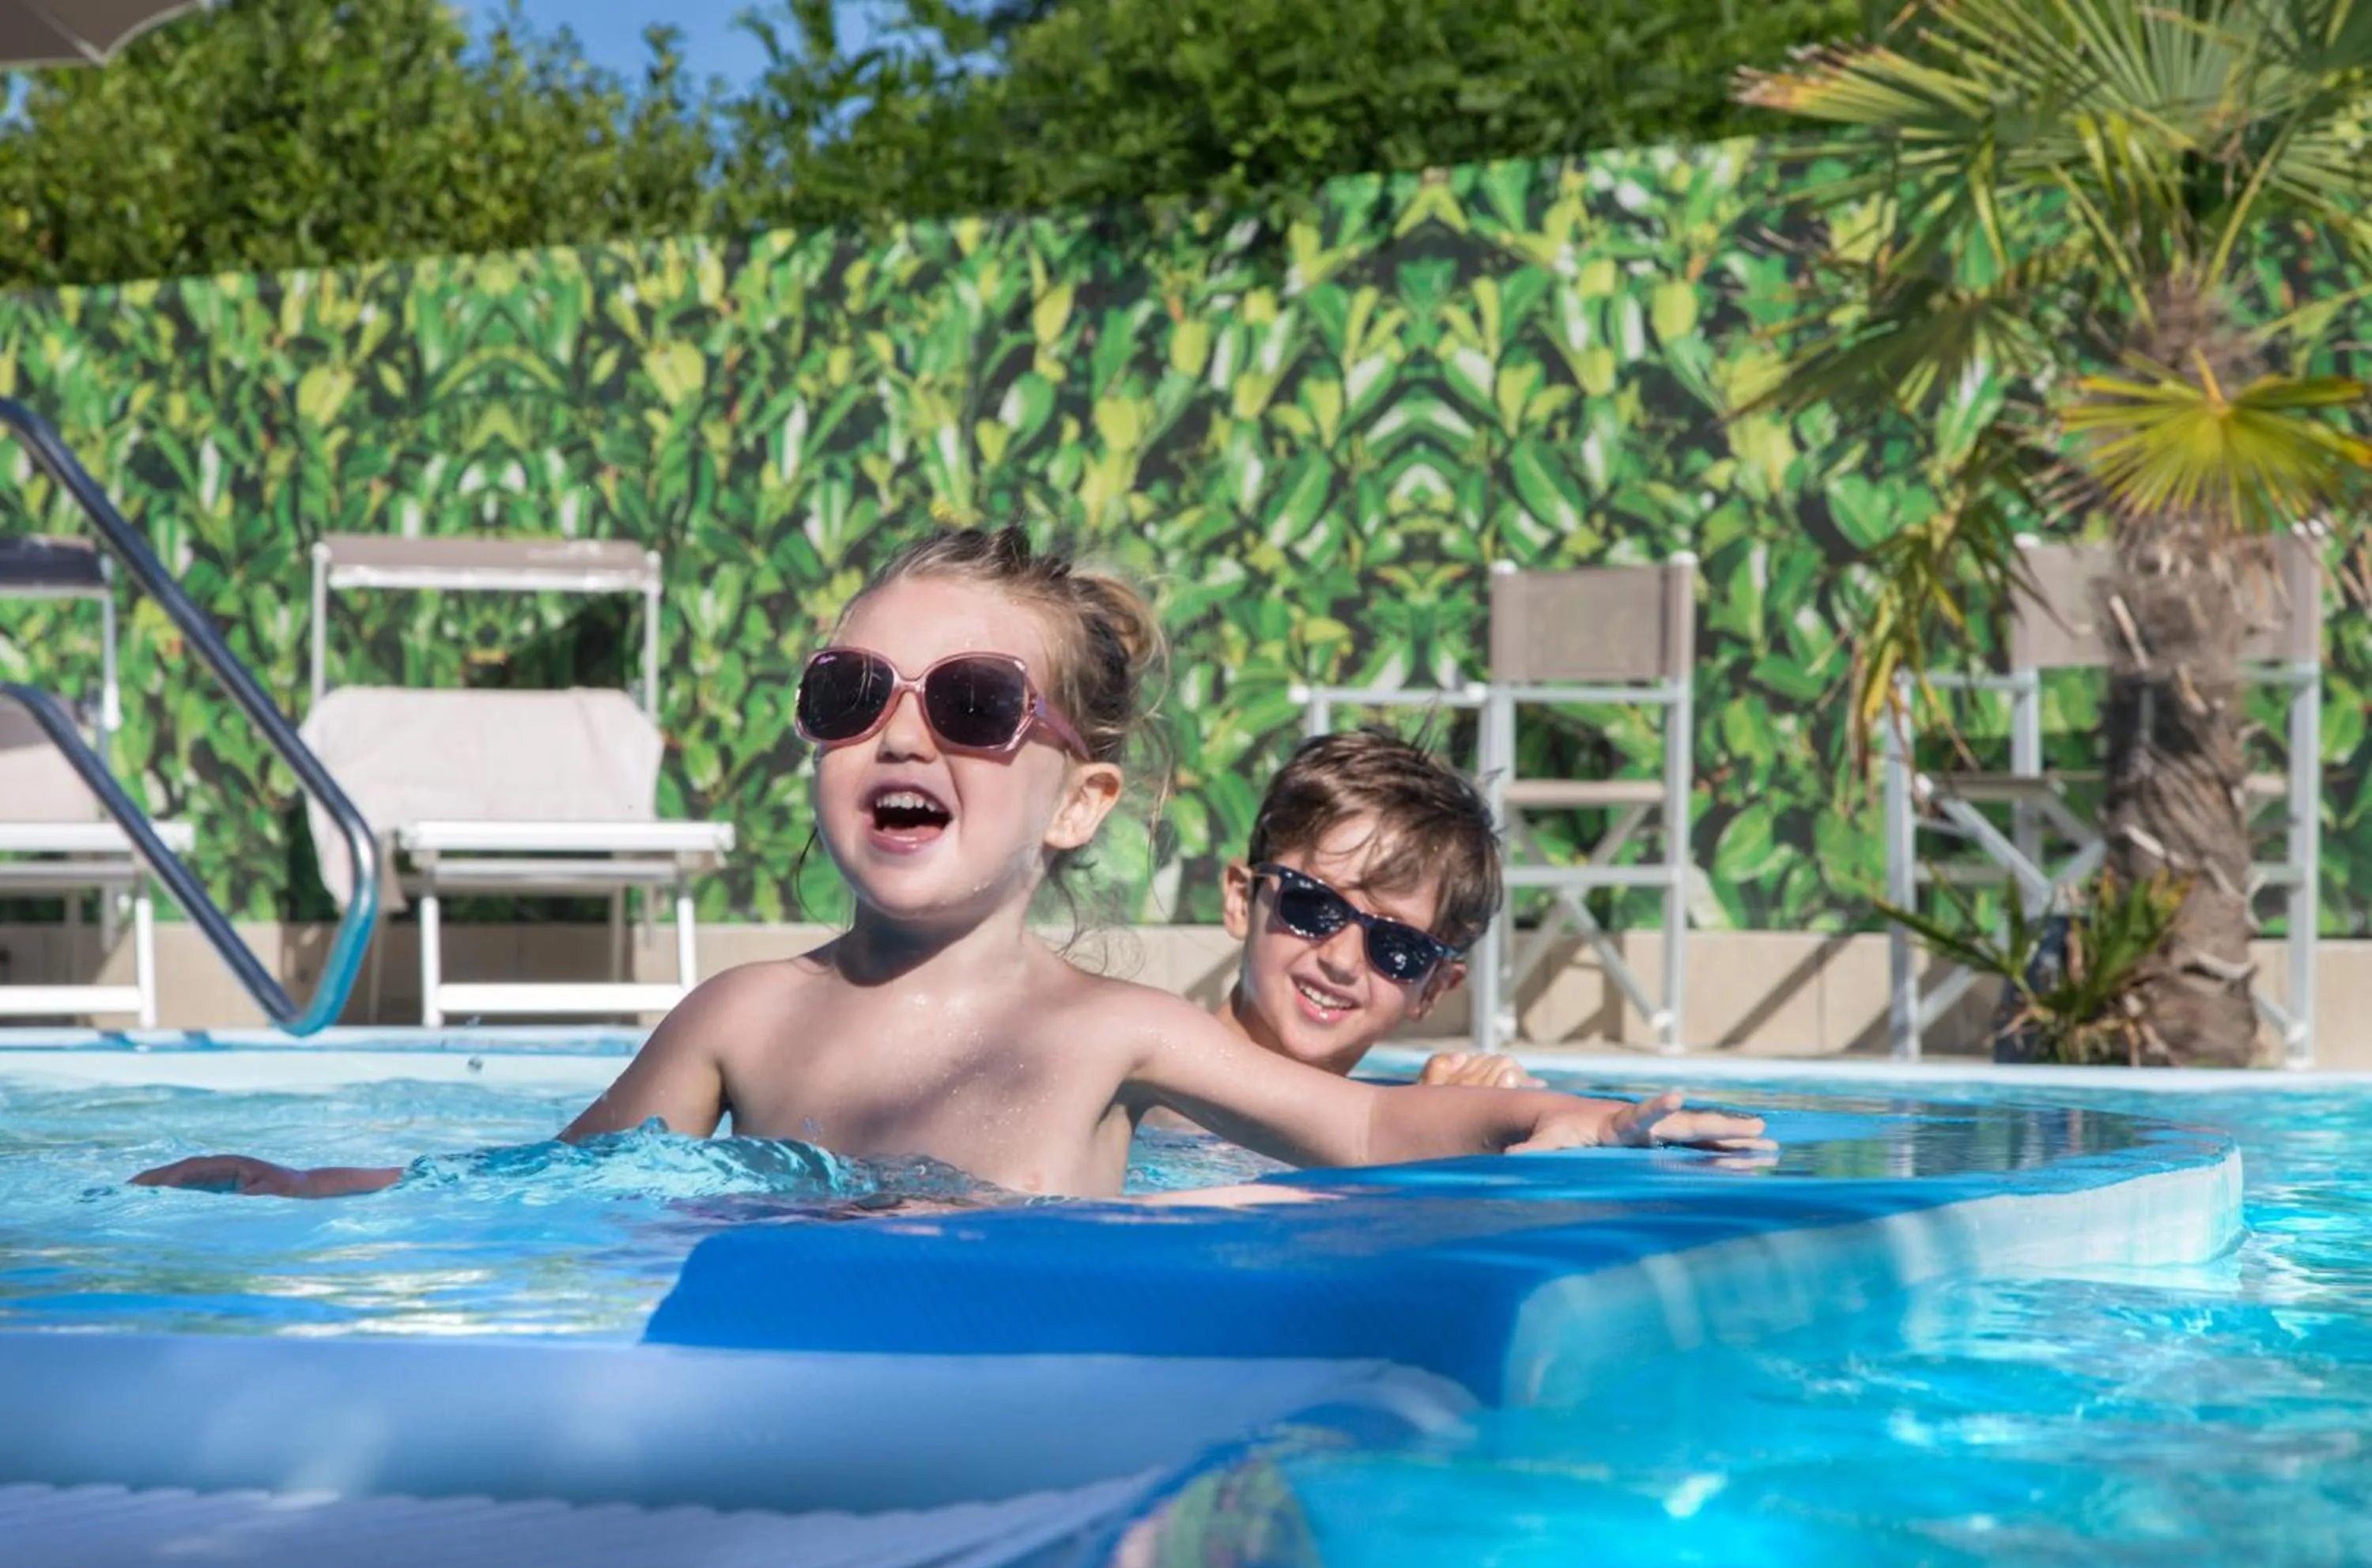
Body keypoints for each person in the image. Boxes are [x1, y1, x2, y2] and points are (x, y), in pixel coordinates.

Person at [134, 527, 1766, 1201]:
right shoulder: (740, 1019)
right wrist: (288, 1191)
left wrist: (1589, 1117)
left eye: (977, 706)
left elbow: (1363, 1122)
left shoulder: (1113, 1033)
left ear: (1077, 800)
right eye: (855, 698)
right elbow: (533, 1197)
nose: (903, 736)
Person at [1212, 729, 1540, 1096]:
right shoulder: (1147, 1084)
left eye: (1396, 945)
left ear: (1432, 989)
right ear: (1242, 900)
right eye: (1314, 906)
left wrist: (1431, 1125)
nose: (1342, 961)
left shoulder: (1398, 1129)